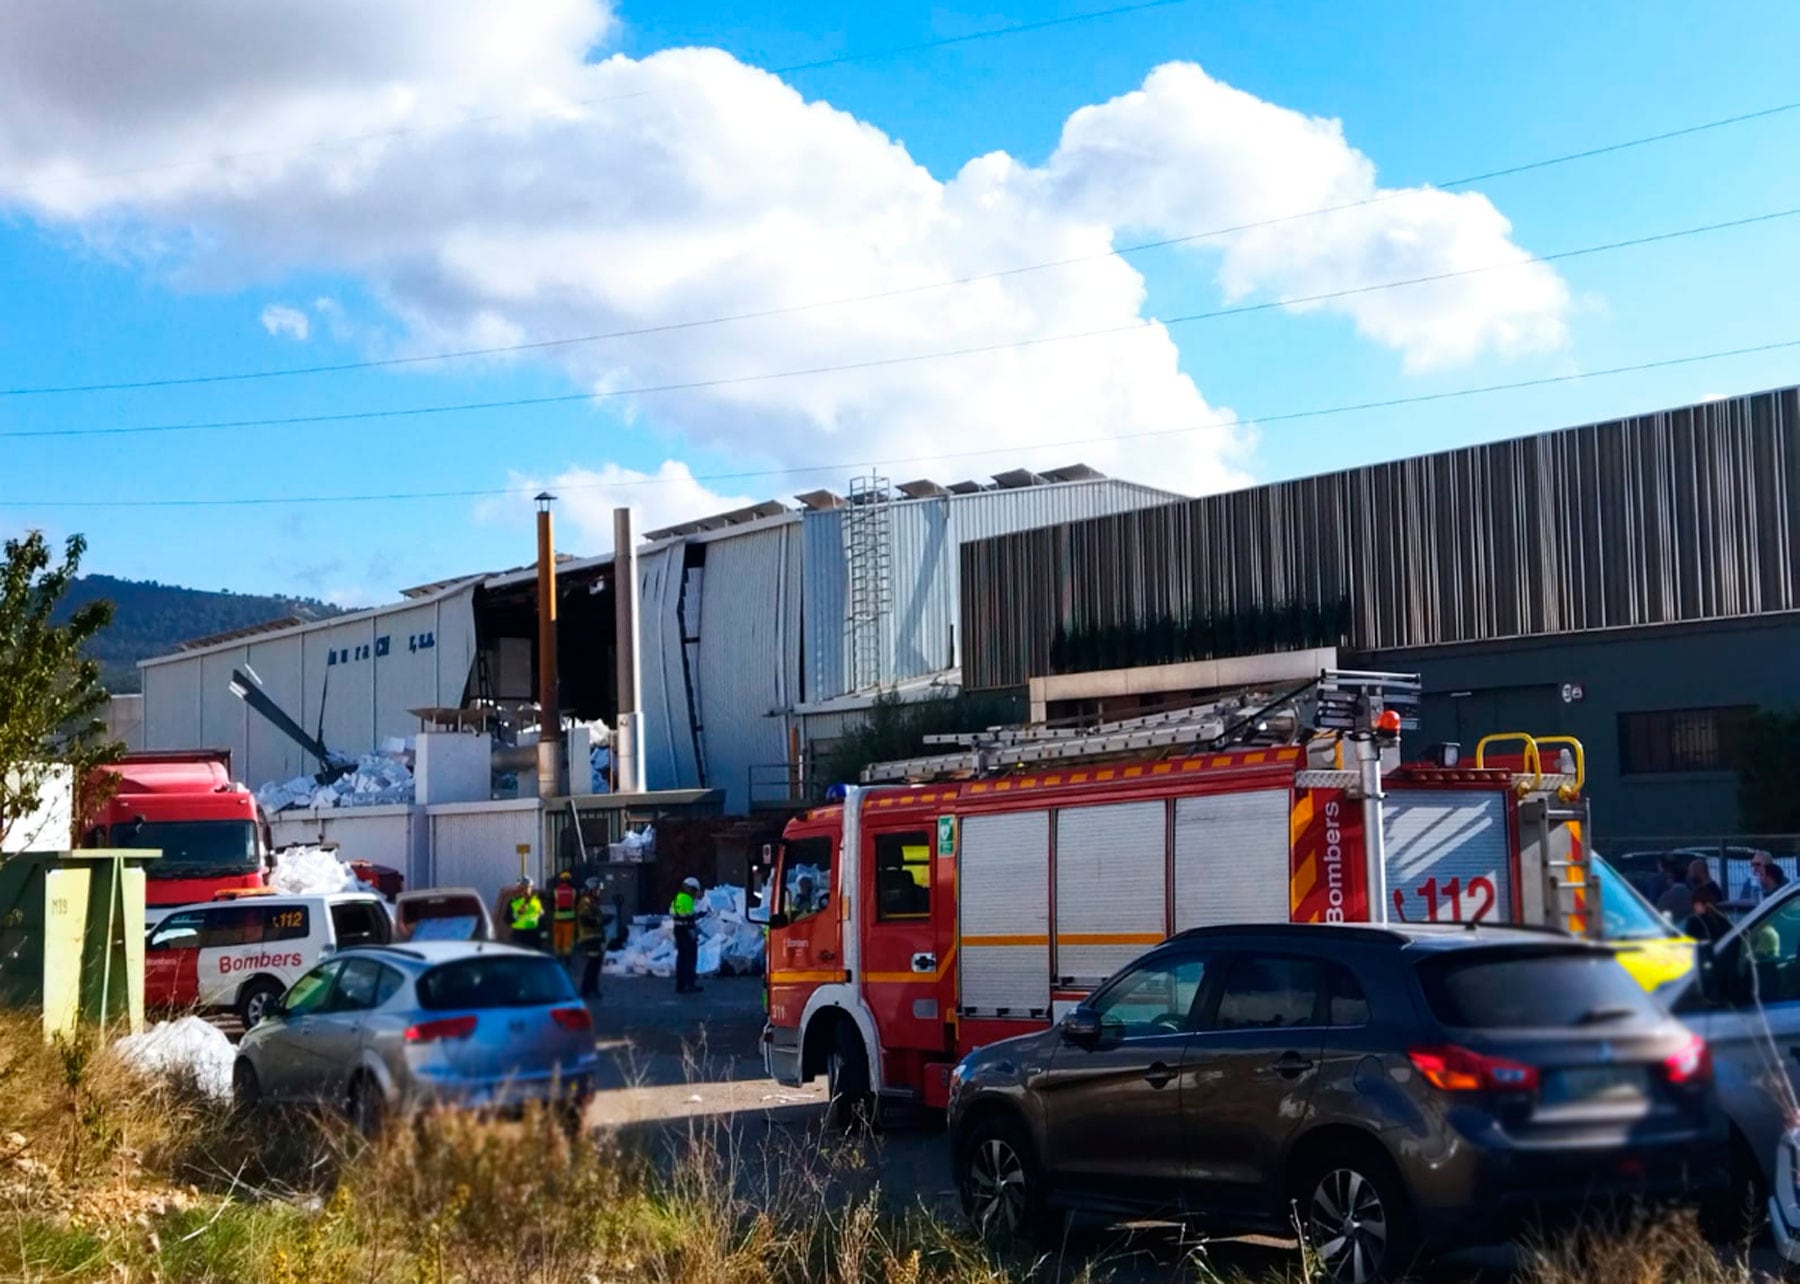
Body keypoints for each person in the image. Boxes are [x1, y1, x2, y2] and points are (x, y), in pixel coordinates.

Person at [671, 875, 706, 995]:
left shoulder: (676, 898)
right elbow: (689, 916)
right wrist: (694, 932)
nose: (695, 894)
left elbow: (674, 913)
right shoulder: (687, 899)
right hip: (686, 930)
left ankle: (680, 985)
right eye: (695, 890)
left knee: (681, 958)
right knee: (690, 957)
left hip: (677, 929)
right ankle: (690, 984)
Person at [576, 876, 605, 999]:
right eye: (597, 890)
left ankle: (592, 988)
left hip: (595, 937)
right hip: (589, 937)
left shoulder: (592, 901)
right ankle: (587, 989)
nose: (599, 892)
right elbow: (585, 918)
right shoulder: (585, 902)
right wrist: (599, 921)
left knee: (596, 964)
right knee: (593, 964)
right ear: (591, 889)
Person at [508, 877, 545, 952]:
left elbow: (541, 919)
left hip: (533, 937)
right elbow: (508, 919)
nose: (525, 890)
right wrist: (518, 913)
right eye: (523, 887)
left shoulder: (536, 901)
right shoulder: (514, 902)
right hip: (520, 937)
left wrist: (543, 936)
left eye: (527, 887)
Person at [1655, 855, 1695, 922]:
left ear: (1671, 878)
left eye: (1668, 878)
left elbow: (1659, 915)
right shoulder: (1693, 895)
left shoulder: (1666, 897)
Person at [551, 870, 578, 960]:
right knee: (568, 938)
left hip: (558, 918)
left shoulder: (556, 891)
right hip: (570, 918)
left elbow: (552, 904)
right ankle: (567, 955)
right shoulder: (573, 891)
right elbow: (576, 903)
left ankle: (558, 954)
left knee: (558, 936)